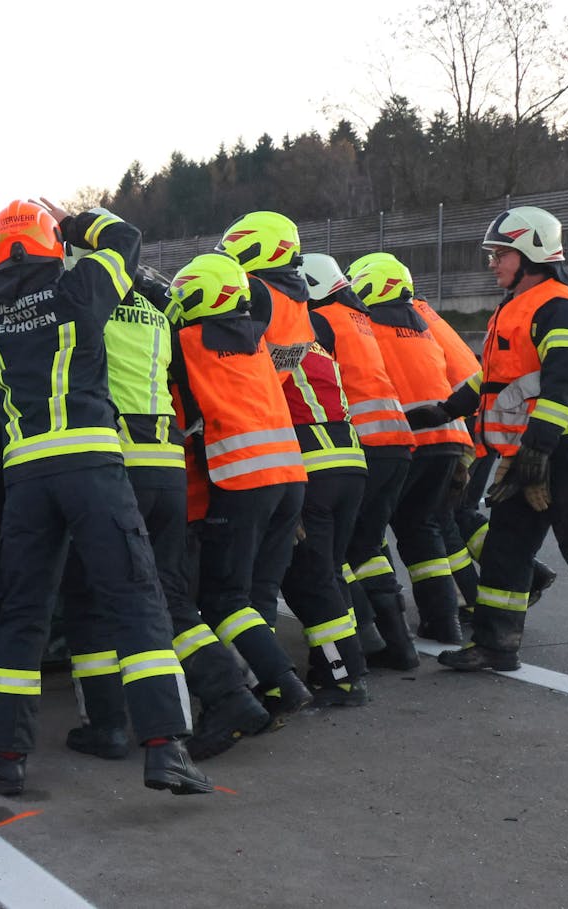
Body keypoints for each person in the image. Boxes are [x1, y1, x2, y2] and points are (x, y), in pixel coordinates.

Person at [0, 200, 210, 798]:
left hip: (27, 477)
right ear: (52, 246)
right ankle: (165, 748)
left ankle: (7, 758)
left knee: (24, 615)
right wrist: (83, 217)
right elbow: (128, 239)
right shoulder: (80, 289)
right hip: (92, 468)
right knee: (134, 598)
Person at [59, 275, 270, 764]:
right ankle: (229, 694)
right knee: (165, 597)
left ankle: (107, 725)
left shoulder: (87, 307)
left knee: (90, 597)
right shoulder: (156, 317)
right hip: (167, 471)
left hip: (116, 469)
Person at [410, 206, 568, 671]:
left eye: (501, 254)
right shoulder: (516, 307)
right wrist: (446, 409)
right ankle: (496, 645)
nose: (493, 263)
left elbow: (564, 382)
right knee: (506, 547)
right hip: (531, 451)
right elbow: (497, 379)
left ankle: (495, 643)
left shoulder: (559, 306)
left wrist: (539, 450)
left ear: (532, 254)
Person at [215, 212, 369, 708]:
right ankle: (340, 668)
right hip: (343, 453)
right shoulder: (299, 299)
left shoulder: (261, 295)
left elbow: (252, 377)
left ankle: (342, 678)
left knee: (305, 576)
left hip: (303, 454)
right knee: (322, 572)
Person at [166, 251, 314, 722]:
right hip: (290, 480)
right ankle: (275, 684)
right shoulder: (257, 342)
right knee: (256, 592)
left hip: (243, 481)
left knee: (223, 598)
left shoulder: (188, 341)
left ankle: (283, 682)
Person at [349, 254, 475, 650]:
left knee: (369, 536)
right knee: (425, 531)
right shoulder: (421, 325)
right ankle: (444, 623)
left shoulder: (367, 325)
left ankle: (384, 625)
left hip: (402, 441)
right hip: (450, 440)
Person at [302, 253, 419, 670]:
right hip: (397, 443)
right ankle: (399, 647)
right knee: (366, 547)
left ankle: (361, 642)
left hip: (359, 444)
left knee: (336, 556)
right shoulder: (357, 316)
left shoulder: (321, 320)